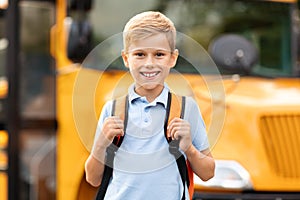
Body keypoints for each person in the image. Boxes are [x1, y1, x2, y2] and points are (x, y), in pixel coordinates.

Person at [85, 11, 215, 200]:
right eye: (140, 54)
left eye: (159, 54)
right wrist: (100, 145)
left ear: (173, 58)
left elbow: (208, 173)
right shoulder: (112, 110)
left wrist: (189, 148)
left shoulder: (187, 109)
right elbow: (93, 178)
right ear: (126, 58)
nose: (149, 63)